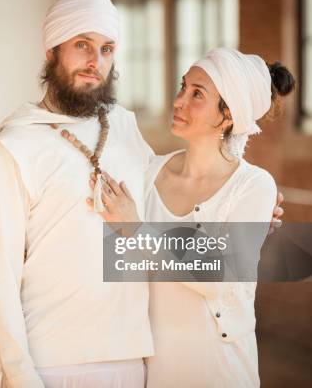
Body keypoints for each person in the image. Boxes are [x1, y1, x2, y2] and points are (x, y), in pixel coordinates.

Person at [0, 0, 155, 387]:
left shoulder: (126, 127)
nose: (96, 61)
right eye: (82, 45)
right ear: (52, 49)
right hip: (50, 365)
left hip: (132, 359)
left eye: (107, 49)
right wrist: (21, 377)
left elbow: (172, 196)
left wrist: (236, 198)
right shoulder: (12, 147)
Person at [87, 47, 295, 387]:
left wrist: (135, 229)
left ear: (228, 115)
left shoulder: (254, 185)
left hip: (222, 370)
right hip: (157, 370)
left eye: (197, 93)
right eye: (183, 87)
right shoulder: (148, 173)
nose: (179, 100)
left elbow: (219, 274)